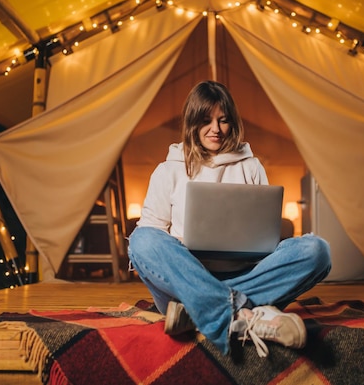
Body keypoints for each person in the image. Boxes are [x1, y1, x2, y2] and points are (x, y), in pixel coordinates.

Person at [128, 80, 331, 358]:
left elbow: (266, 235)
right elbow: (150, 239)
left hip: (244, 275)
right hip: (184, 280)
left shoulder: (251, 166)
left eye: (223, 120)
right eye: (206, 120)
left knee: (316, 251)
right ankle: (244, 312)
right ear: (192, 123)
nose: (216, 129)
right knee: (141, 239)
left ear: (232, 123)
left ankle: (198, 311)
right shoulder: (168, 170)